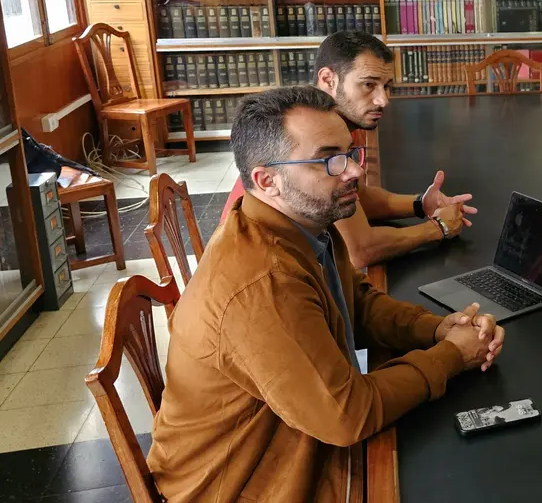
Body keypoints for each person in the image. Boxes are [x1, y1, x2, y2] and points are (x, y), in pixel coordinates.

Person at [150, 86, 505, 503]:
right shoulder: (263, 282)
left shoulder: (305, 225)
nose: (353, 171)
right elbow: (346, 415)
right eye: (329, 160)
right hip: (242, 481)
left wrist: (438, 329)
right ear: (268, 180)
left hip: (291, 438)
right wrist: (452, 356)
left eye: (350, 154)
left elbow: (355, 303)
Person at [219, 31, 476, 269]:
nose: (383, 100)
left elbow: (358, 197)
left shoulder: (330, 124)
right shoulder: (314, 136)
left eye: (386, 86)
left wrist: (419, 203)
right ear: (328, 80)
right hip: (268, 273)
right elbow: (360, 250)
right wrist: (438, 227)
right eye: (368, 85)